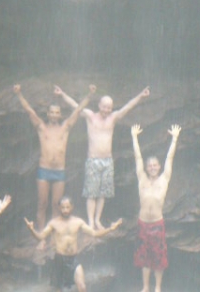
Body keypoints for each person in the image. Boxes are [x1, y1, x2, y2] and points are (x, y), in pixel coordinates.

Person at [55, 85, 150, 229]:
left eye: (109, 107)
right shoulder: (90, 116)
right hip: (93, 160)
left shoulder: (113, 118)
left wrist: (140, 97)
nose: (106, 110)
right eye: (104, 107)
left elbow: (127, 107)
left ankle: (98, 220)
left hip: (107, 161)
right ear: (99, 105)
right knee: (91, 193)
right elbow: (76, 106)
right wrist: (62, 94)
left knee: (102, 193)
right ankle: (91, 221)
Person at [14, 83, 96, 247]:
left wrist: (90, 95)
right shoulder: (41, 128)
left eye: (57, 112)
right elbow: (30, 111)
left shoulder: (65, 128)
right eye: (52, 112)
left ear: (60, 115)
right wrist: (19, 95)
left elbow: (77, 111)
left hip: (59, 171)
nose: (54, 114)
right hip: (44, 170)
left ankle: (52, 237)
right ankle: (41, 238)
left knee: (56, 206)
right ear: (48, 113)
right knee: (42, 203)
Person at [25, 196, 122, 292]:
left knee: (82, 287)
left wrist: (110, 229)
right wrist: (31, 229)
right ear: (59, 208)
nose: (65, 210)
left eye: (67, 207)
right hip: (59, 259)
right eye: (62, 207)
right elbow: (41, 237)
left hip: (73, 259)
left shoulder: (78, 222)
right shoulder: (54, 223)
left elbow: (94, 233)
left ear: (72, 208)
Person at [131, 123, 181, 292]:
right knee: (144, 256)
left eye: (155, 165)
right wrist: (134, 137)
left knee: (158, 257)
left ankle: (157, 290)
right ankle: (145, 288)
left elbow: (170, 158)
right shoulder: (142, 178)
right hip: (143, 223)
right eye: (149, 165)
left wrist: (174, 138)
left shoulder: (164, 179)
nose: (152, 167)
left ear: (159, 167)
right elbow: (137, 158)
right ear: (146, 168)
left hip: (157, 224)